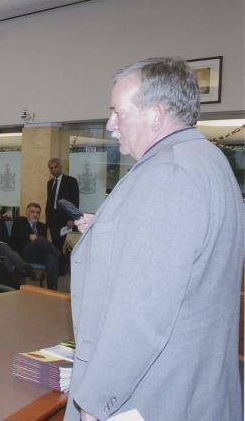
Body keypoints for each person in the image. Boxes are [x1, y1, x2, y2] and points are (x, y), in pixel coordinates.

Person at [65, 58, 244, 421]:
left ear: (156, 114)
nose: (110, 124)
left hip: (153, 396)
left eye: (118, 112)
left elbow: (141, 311)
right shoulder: (207, 159)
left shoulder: (169, 174)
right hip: (196, 386)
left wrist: (98, 399)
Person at [10, 202, 59, 290]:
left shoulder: (42, 226)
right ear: (26, 213)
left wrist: (37, 240)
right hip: (23, 253)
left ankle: (52, 287)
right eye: (32, 212)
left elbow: (44, 247)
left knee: (51, 256)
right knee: (40, 239)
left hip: (38, 255)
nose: (35, 214)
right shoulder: (20, 221)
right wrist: (29, 237)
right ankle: (60, 255)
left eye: (37, 212)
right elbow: (15, 238)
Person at [0, 197, 33, 276]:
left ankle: (10, 285)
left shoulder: (0, 222)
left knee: (6, 253)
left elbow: (7, 239)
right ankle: (24, 268)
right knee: (4, 249)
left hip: (1, 249)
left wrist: (15, 251)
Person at [45, 158, 79, 274]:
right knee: (55, 244)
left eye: (55, 167)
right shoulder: (50, 183)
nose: (54, 169)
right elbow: (50, 201)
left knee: (62, 243)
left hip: (65, 218)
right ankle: (58, 269)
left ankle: (62, 269)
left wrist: (71, 218)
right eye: (51, 168)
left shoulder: (71, 181)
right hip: (52, 218)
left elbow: (75, 201)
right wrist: (47, 218)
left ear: (60, 167)